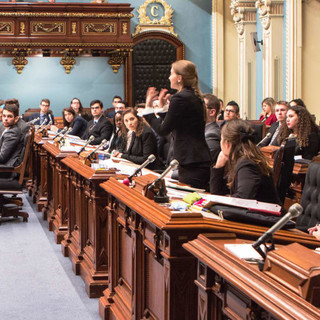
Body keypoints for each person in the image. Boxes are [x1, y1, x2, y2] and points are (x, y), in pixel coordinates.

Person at [143, 60, 211, 189]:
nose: (169, 77)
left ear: (179, 78)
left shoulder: (180, 98)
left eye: (171, 74)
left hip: (191, 161)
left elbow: (163, 130)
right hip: (196, 159)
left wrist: (148, 108)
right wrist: (163, 108)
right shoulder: (191, 95)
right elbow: (181, 122)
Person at [210, 119, 280, 204]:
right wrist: (218, 167)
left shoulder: (247, 164)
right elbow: (217, 195)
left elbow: (242, 201)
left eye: (221, 139)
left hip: (262, 215)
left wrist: (229, 198)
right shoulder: (243, 159)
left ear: (227, 143)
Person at [203, 93, 221, 164]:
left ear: (212, 112)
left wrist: (173, 173)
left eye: (201, 106)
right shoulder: (200, 130)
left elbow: (200, 164)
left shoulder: (212, 135)